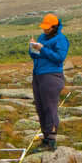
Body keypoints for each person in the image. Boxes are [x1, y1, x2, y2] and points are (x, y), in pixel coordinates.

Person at [28, 13, 67, 151]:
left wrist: (42, 49)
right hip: (38, 75)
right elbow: (34, 56)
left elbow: (59, 57)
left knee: (50, 107)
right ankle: (45, 137)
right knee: (40, 107)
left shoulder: (61, 39)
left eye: (47, 28)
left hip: (52, 76)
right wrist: (32, 47)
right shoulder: (41, 38)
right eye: (44, 27)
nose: (45, 30)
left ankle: (51, 139)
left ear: (54, 27)